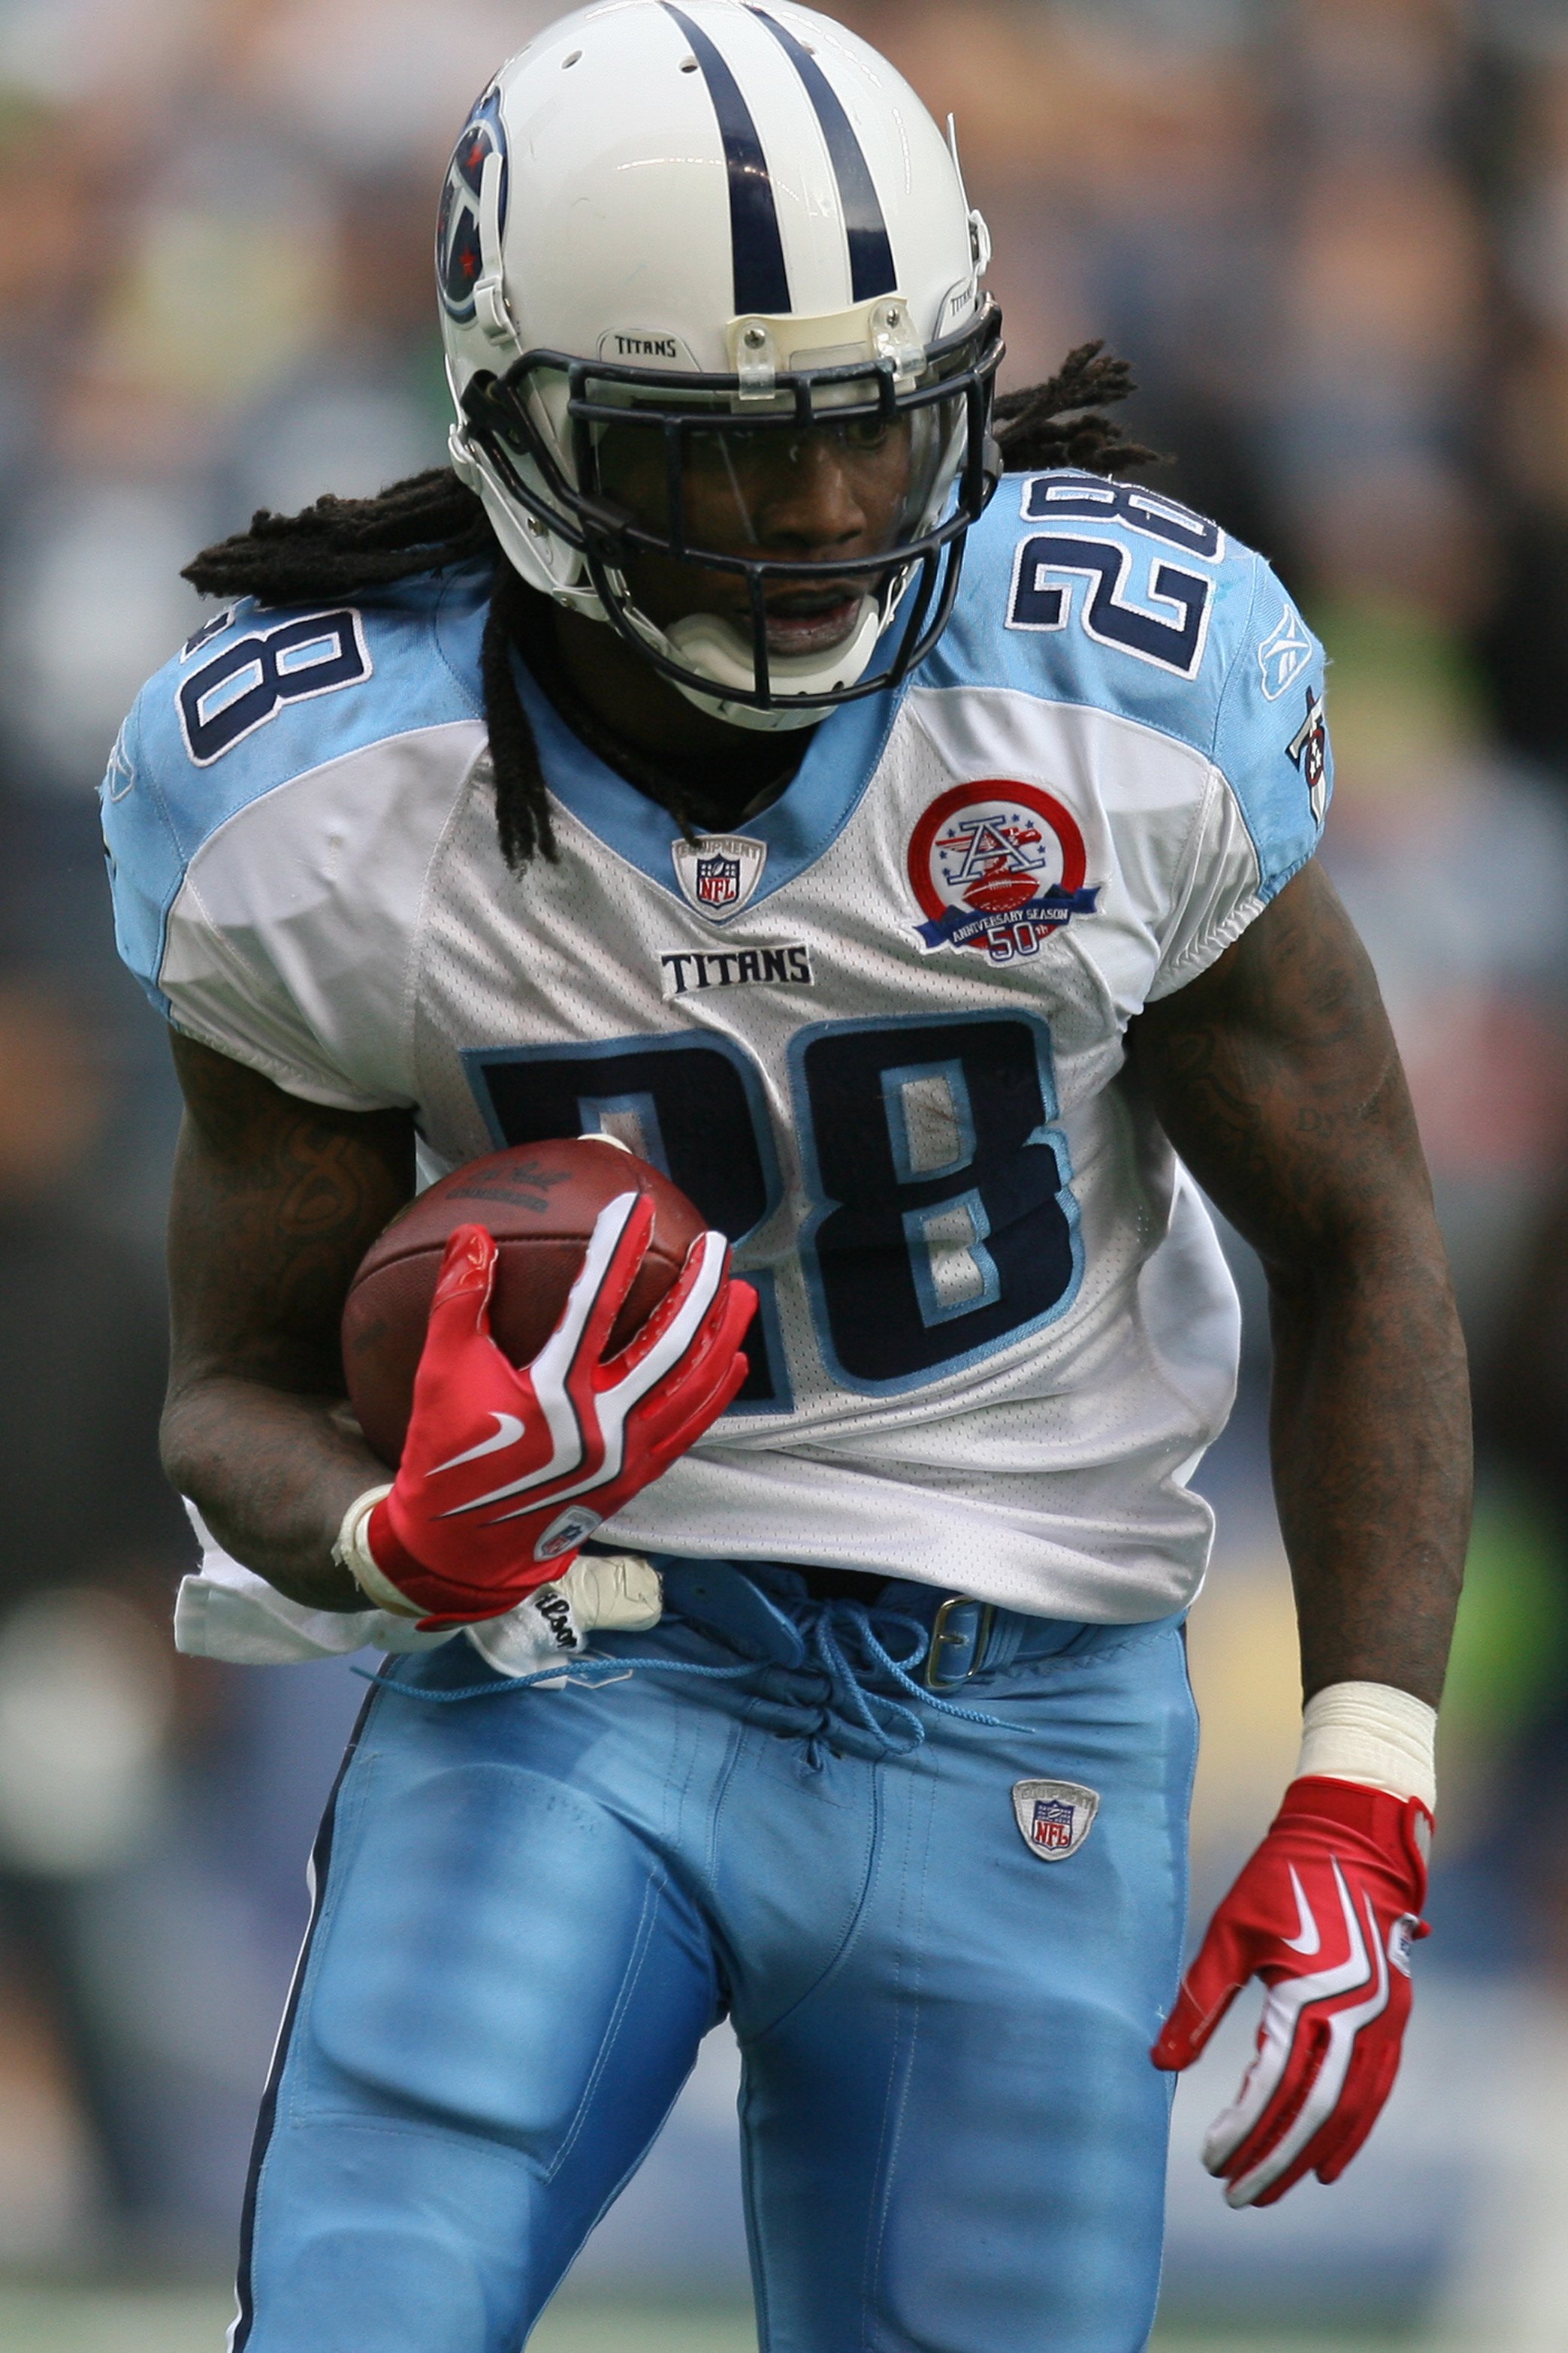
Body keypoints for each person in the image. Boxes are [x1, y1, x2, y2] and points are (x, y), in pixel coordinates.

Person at [100, 5, 1470, 2347]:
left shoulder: (1110, 691)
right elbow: (226, 1379)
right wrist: (393, 1533)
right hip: (563, 1663)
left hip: (1022, 1687)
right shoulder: (321, 785)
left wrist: (1363, 1778)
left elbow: (1360, 1232)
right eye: (724, 457)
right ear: (520, 419)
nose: (831, 519)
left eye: (868, 425)